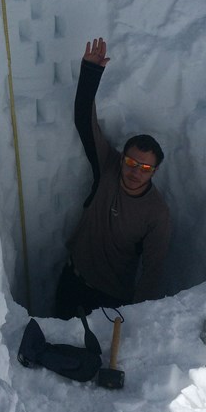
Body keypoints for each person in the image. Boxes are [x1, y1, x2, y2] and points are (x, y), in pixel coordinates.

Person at [54, 37, 171, 319]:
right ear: (122, 159)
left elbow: (152, 272)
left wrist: (136, 320)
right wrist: (91, 71)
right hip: (72, 278)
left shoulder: (157, 214)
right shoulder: (107, 167)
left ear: (154, 172)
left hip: (108, 300)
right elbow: (85, 120)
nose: (135, 171)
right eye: (131, 162)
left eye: (145, 168)